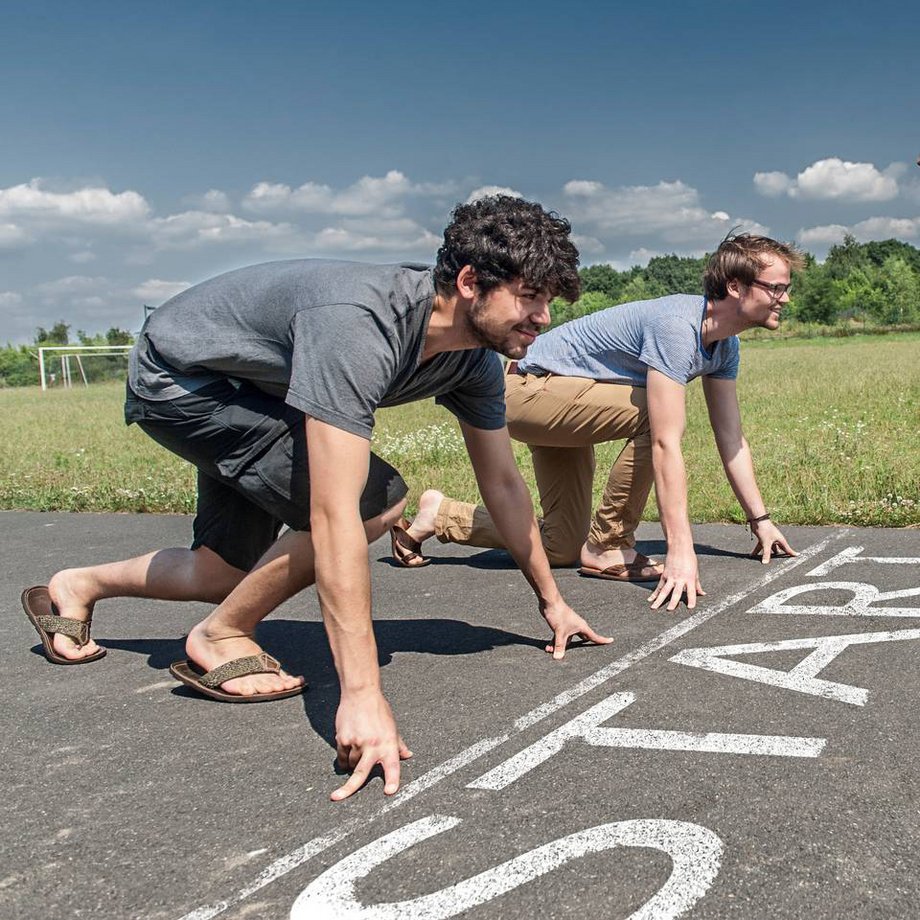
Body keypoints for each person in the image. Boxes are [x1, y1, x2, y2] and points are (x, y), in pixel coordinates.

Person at [21, 195, 611, 801]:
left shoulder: (473, 363)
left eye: (548, 301)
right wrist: (362, 697)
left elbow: (504, 485)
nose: (543, 317)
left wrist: (552, 601)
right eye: (529, 297)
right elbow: (334, 517)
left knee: (222, 572)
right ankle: (220, 636)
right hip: (184, 380)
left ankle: (78, 585)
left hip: (253, 386)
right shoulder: (361, 326)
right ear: (468, 283)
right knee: (373, 504)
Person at [395, 233, 805, 612]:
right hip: (524, 392)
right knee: (656, 414)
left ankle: (438, 514)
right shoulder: (677, 326)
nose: (784, 298)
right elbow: (664, 443)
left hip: (562, 404)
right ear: (735, 287)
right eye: (776, 287)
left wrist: (760, 521)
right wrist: (681, 551)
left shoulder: (724, 346)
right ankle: (610, 543)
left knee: (561, 545)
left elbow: (731, 437)